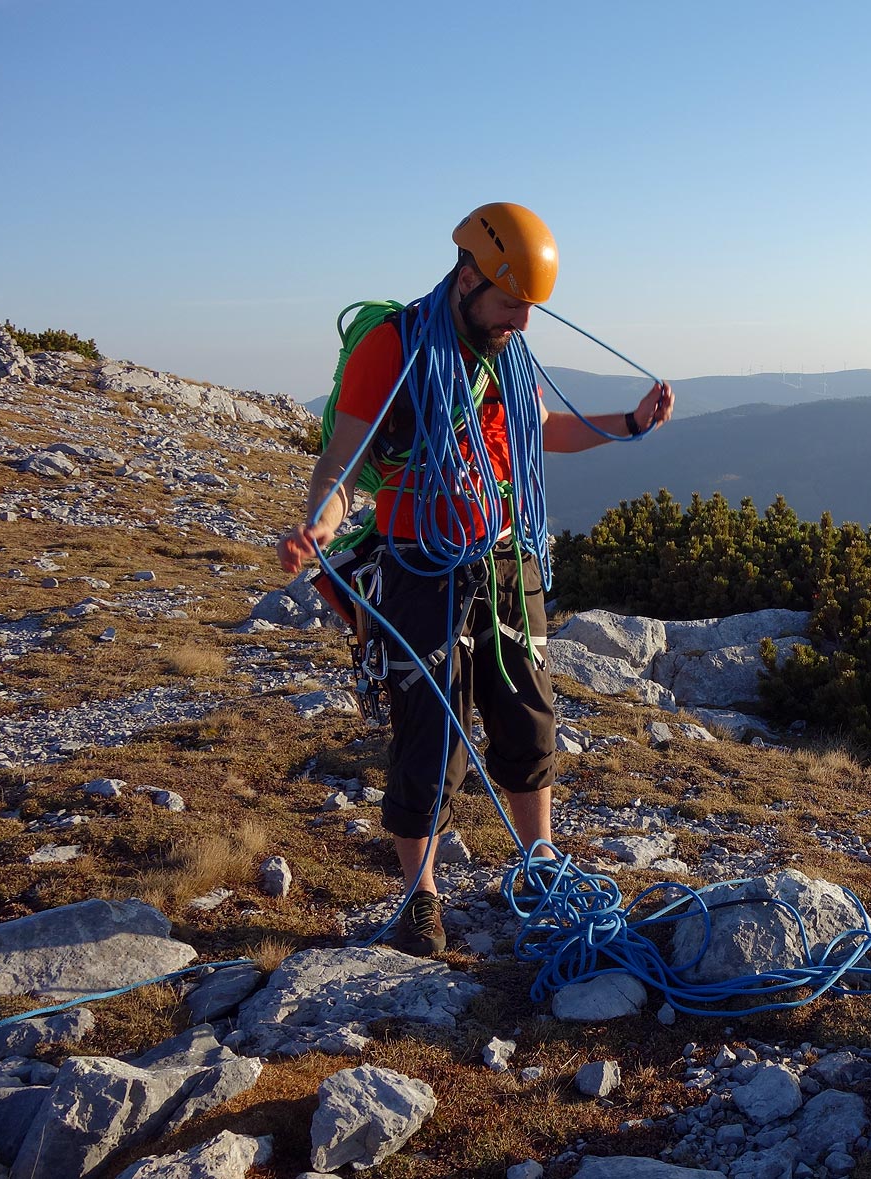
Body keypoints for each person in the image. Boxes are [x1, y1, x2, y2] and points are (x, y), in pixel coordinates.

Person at [278, 202, 674, 955]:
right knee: (431, 724)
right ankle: (420, 898)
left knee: (527, 705)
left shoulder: (504, 354)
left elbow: (539, 430)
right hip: (417, 555)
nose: (521, 323)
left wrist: (628, 423)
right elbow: (344, 459)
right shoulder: (393, 349)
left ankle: (540, 860)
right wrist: (320, 525)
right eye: (509, 304)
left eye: (530, 309)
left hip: (502, 548)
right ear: (467, 278)